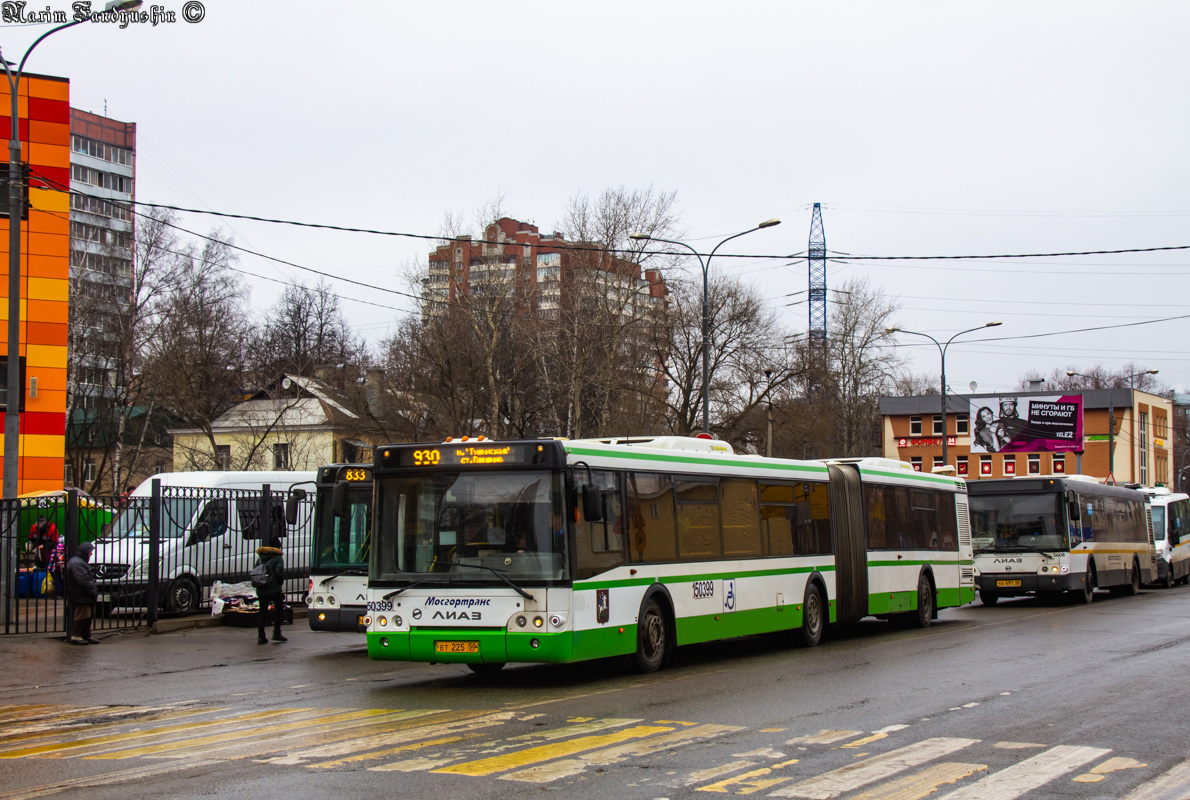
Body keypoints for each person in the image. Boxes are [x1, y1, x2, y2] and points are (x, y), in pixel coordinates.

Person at [64, 542, 100, 645]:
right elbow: (83, 581)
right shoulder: (78, 563)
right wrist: (93, 590)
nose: (91, 554)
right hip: (80, 593)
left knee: (87, 614)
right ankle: (77, 635)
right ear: (86, 552)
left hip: (81, 593)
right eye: (90, 552)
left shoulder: (78, 561)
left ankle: (85, 635)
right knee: (82, 615)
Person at [254, 536, 287, 645]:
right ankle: (276, 633)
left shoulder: (260, 558)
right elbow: (279, 573)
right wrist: (278, 583)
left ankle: (261, 636)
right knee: (279, 609)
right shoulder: (277, 558)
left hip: (262, 588)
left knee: (262, 612)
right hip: (274, 589)